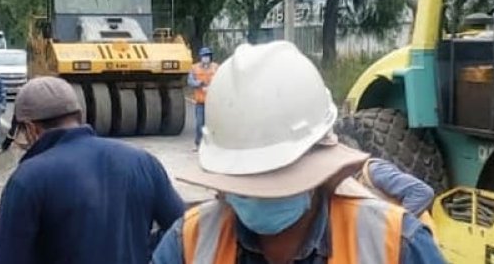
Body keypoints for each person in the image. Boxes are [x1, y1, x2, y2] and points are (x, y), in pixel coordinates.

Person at [152, 42, 445, 264]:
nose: (260, 194)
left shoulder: (394, 244)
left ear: (317, 161)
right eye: (246, 182)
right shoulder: (190, 242)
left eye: (272, 180)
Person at [0, 77, 185, 264]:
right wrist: (143, 250)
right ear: (79, 116)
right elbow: (184, 231)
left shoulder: (27, 179)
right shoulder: (143, 162)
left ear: (31, 129)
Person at [188, 47, 218, 151]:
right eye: (204, 56)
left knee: (213, 124)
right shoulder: (194, 68)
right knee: (199, 124)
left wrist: (212, 86)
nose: (206, 58)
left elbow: (221, 79)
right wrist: (199, 83)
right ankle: (198, 144)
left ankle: (213, 145)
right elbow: (190, 81)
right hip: (200, 102)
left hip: (213, 103)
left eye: (208, 56)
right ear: (201, 57)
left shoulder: (215, 67)